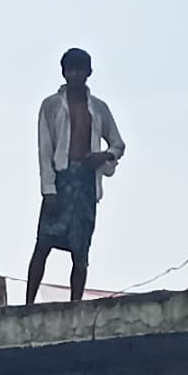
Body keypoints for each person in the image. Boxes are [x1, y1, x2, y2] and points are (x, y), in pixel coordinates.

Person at [28, 45, 124, 303]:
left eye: (79, 70)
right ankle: (28, 305)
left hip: (86, 181)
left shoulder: (99, 108)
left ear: (88, 72)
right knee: (43, 243)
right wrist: (48, 188)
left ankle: (75, 305)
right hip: (61, 178)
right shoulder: (51, 106)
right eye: (70, 70)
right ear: (64, 72)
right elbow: (45, 148)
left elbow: (117, 144)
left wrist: (103, 156)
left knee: (81, 250)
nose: (75, 75)